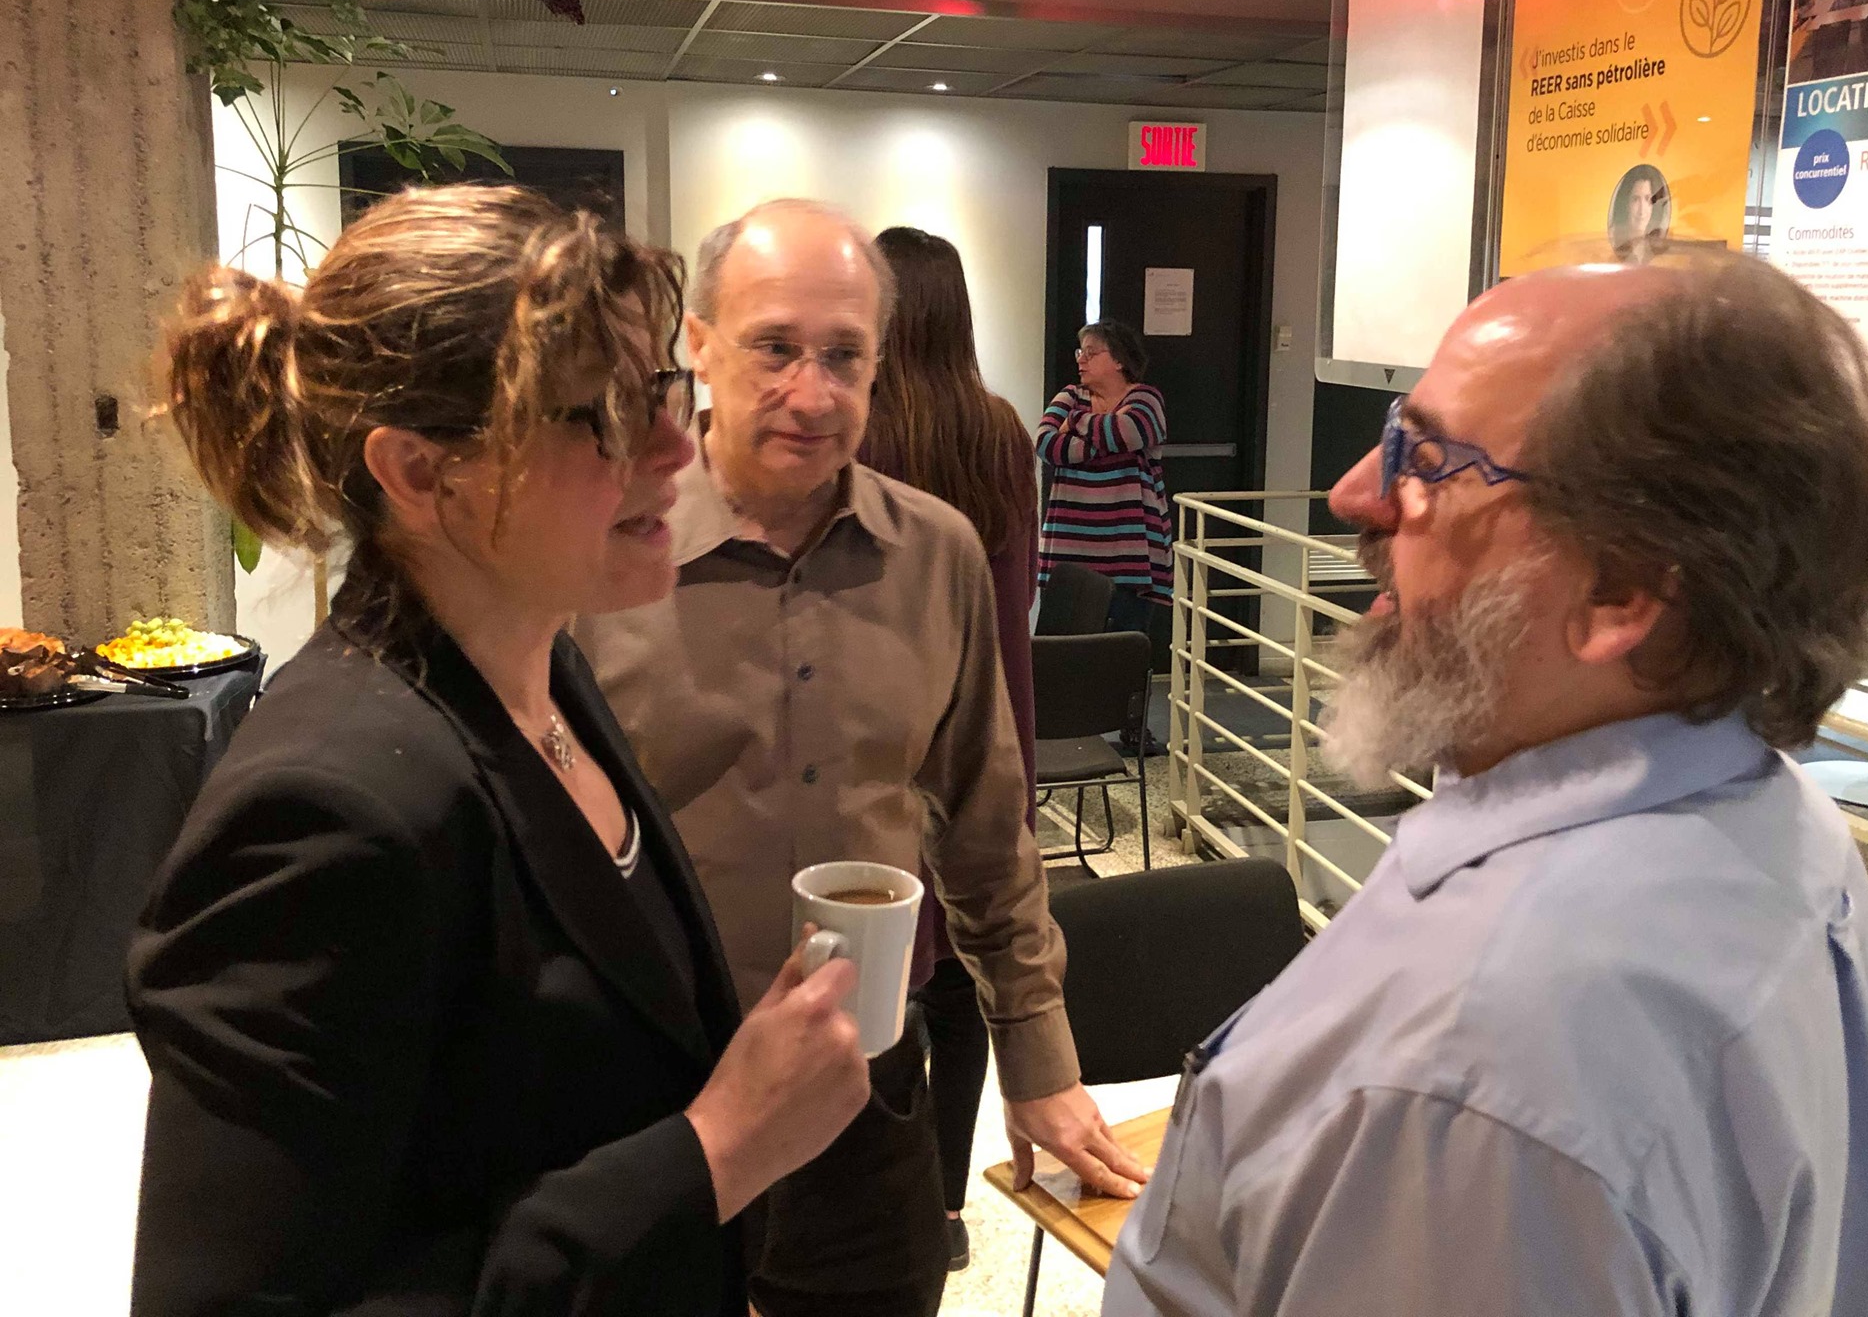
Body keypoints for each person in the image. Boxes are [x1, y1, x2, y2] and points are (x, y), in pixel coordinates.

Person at [1105, 253, 1868, 1317]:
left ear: (1621, 591)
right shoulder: (1780, 823)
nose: (1355, 494)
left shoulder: (1476, 1075)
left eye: (1428, 460)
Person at [126, 185, 871, 1317]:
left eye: (659, 388)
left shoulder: (545, 669)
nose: (676, 445)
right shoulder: (323, 813)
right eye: (603, 415)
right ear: (421, 473)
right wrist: (715, 1151)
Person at [574, 199, 1143, 1317]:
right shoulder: (598, 554)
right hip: (649, 1094)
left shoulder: (935, 554)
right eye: (774, 348)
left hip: (865, 1085)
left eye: (843, 356)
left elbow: (985, 829)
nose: (812, 392)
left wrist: (1037, 1058)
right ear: (699, 345)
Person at [858, 225, 1040, 1274]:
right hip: (986, 725)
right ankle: (945, 1202)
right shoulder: (999, 430)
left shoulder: (859, 429)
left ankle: (874, 1202)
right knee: (970, 976)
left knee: (881, 978)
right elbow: (1014, 604)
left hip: (881, 741)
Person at [1036, 317, 1172, 634]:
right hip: (1070, 550)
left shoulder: (1145, 398)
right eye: (1080, 352)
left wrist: (1076, 422)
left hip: (1130, 555)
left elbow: (1129, 431)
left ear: (1120, 360)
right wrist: (1106, 442)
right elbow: (1046, 445)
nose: (1081, 360)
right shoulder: (1070, 395)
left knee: (1121, 650)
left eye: (1091, 352)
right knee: (1065, 650)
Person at [1610, 163, 1671, 259]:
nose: (1642, 210)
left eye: (1648, 199)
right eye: (1635, 199)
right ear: (1625, 204)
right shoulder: (1610, 249)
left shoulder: (1662, 251)